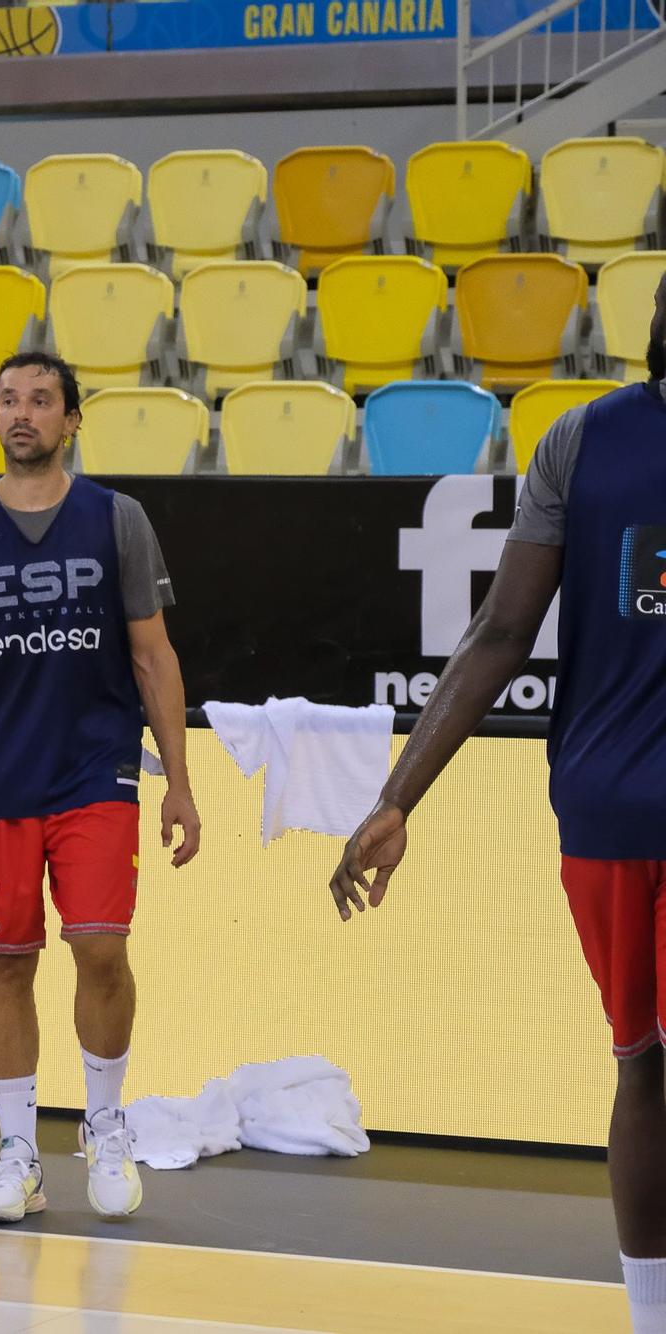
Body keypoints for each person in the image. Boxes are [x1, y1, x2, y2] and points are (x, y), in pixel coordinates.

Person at [330, 276, 666, 1334]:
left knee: (642, 1064)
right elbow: (495, 636)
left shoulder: (580, 439)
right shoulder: (576, 440)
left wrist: (397, 798)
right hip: (613, 809)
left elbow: (493, 634)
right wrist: (395, 797)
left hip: (603, 811)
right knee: (644, 1065)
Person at [0, 350, 200, 1226]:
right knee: (5, 961)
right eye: (7, 399)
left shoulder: (117, 519)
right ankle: (18, 1155)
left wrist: (179, 782)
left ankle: (105, 1126)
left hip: (94, 769)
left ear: (71, 421)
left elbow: (154, 655)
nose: (21, 411)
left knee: (101, 946)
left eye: (40, 399)